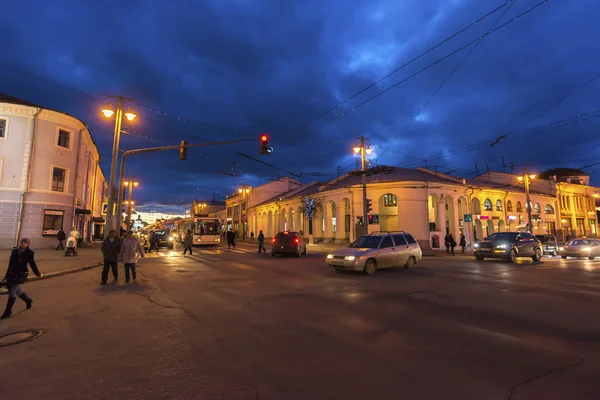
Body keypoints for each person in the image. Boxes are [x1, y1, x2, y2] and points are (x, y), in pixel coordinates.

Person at [1, 238, 43, 319]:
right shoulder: (14, 251)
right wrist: (6, 275)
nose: (23, 244)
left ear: (28, 244)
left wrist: (38, 274)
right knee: (18, 291)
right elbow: (10, 263)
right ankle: (28, 301)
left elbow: (32, 264)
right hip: (12, 274)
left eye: (25, 243)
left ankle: (8, 312)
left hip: (21, 275)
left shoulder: (30, 253)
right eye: (22, 242)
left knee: (12, 291)